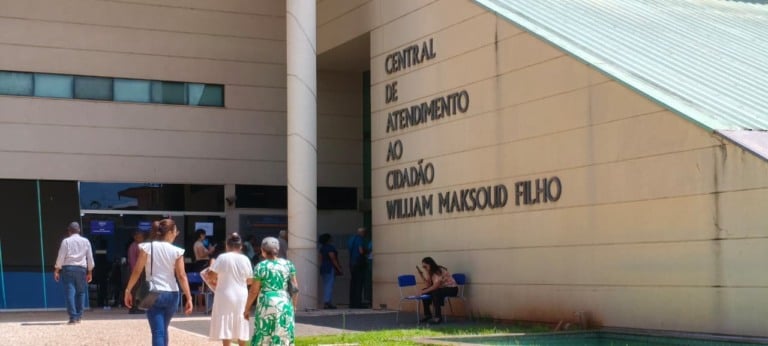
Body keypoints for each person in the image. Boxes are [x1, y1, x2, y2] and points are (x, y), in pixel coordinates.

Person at [124, 219, 193, 346]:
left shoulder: (147, 247)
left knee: (158, 332)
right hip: (173, 293)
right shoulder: (177, 251)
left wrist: (128, 290)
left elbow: (137, 271)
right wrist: (189, 297)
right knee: (163, 329)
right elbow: (182, 276)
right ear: (171, 232)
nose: (176, 234)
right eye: (175, 231)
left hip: (154, 293)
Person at [243, 237, 298, 345]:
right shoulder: (288, 265)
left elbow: (254, 291)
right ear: (277, 250)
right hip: (284, 302)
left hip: (266, 302)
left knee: (264, 334)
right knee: (283, 333)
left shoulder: (260, 267)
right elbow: (295, 288)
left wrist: (247, 309)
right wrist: (294, 306)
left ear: (263, 250)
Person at [205, 233, 253, 346]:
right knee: (242, 320)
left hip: (224, 294)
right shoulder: (245, 259)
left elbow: (211, 276)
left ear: (227, 245)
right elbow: (250, 280)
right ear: (240, 246)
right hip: (241, 294)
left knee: (225, 322)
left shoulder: (222, 257)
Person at [53, 222, 95, 325]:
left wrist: (57, 270)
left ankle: (73, 317)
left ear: (69, 231)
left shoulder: (66, 241)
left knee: (70, 293)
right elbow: (89, 257)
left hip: (68, 269)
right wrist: (90, 271)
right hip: (81, 269)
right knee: (81, 292)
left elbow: (61, 256)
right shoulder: (86, 241)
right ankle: (79, 316)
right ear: (79, 230)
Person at [417, 257, 458, 324]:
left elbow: (435, 286)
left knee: (435, 292)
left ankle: (438, 317)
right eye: (423, 267)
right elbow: (428, 285)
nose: (424, 268)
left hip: (452, 289)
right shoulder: (430, 272)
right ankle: (428, 315)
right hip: (441, 289)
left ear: (430, 264)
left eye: (425, 266)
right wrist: (422, 275)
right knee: (426, 293)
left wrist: (424, 291)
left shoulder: (438, 270)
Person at [318, 233, 343, 309]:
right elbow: (333, 258)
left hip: (324, 267)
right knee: (329, 285)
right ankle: (327, 302)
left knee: (326, 284)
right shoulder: (330, 247)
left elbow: (321, 258)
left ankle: (328, 301)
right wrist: (338, 268)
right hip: (329, 268)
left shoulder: (322, 248)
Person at [347, 227, 368, 308]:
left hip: (352, 263)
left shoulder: (351, 239)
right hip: (359, 264)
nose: (365, 235)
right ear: (362, 233)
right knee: (359, 284)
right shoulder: (359, 239)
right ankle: (357, 303)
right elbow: (361, 251)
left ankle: (352, 303)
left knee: (353, 283)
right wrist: (367, 251)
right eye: (365, 233)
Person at [127, 229, 147, 314]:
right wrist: (135, 273)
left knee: (140, 289)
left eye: (142, 237)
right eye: (138, 236)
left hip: (142, 272)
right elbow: (132, 261)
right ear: (135, 237)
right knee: (135, 290)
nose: (140, 238)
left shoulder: (142, 246)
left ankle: (139, 306)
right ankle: (134, 307)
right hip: (136, 272)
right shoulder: (133, 246)